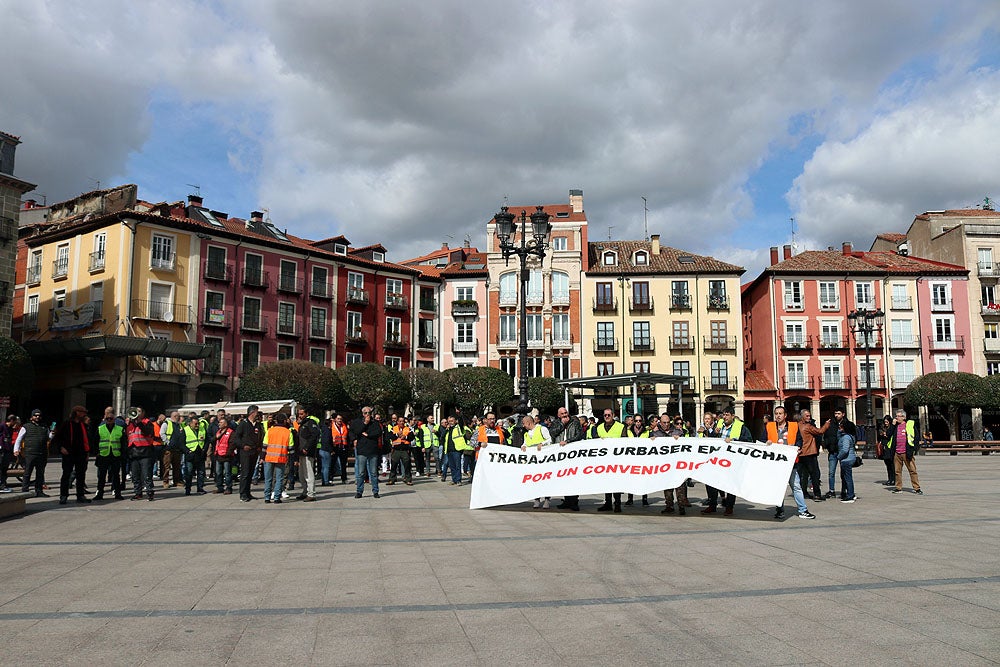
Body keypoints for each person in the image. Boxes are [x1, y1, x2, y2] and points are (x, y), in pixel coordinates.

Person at [764, 406, 814, 519]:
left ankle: (803, 510)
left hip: (791, 463)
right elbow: (762, 440)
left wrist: (799, 447)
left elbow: (799, 440)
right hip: (775, 463)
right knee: (778, 488)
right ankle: (779, 509)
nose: (778, 416)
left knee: (796, 486)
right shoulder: (769, 426)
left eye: (780, 413)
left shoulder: (794, 426)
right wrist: (766, 442)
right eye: (776, 413)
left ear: (785, 415)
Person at [650, 413, 689, 515]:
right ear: (660, 422)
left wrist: (679, 439)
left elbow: (686, 444)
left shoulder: (677, 431)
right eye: (664, 422)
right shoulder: (655, 433)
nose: (666, 424)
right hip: (664, 465)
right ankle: (669, 505)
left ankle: (681, 506)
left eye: (668, 422)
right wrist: (652, 440)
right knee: (667, 486)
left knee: (679, 486)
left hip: (677, 464)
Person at [53, 405, 91, 505]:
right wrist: (61, 448)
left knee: (81, 475)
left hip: (81, 454)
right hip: (68, 454)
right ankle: (64, 495)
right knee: (66, 474)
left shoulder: (83, 425)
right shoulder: (66, 424)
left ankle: (80, 495)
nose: (84, 414)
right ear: (77, 413)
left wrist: (87, 453)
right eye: (82, 412)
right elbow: (57, 437)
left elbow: (86, 440)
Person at [593, 409, 628, 513]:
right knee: (606, 483)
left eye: (609, 415)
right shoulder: (599, 427)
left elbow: (625, 441)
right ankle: (608, 503)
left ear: (613, 415)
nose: (607, 416)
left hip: (616, 460)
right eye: (605, 415)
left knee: (616, 483)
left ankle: (617, 504)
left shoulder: (621, 426)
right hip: (604, 460)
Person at [15, 409, 50, 497]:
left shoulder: (44, 426)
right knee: (27, 472)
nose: (37, 417)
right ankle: (25, 490)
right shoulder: (26, 426)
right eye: (35, 415)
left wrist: (52, 434)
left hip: (42, 453)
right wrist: (16, 449)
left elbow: (49, 438)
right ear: (31, 417)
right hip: (30, 453)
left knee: (40, 473)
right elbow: (19, 438)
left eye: (39, 416)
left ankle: (39, 491)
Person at [94, 406, 126, 500]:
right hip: (103, 454)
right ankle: (99, 493)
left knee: (116, 475)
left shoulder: (119, 429)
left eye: (111, 418)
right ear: (105, 419)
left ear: (114, 419)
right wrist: (97, 453)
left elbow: (123, 442)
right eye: (107, 418)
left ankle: (117, 493)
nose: (109, 420)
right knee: (102, 476)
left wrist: (122, 454)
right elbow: (95, 441)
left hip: (115, 455)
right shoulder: (100, 428)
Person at [520, 414, 552, 508]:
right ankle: (536, 499)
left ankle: (547, 499)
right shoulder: (526, 434)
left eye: (523, 423)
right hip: (533, 462)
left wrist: (542, 444)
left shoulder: (542, 429)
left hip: (543, 460)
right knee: (534, 480)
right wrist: (523, 446)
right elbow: (525, 443)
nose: (523, 425)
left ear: (529, 422)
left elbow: (550, 439)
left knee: (545, 480)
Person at [351, 406, 383, 499]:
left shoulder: (375, 423)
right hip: (362, 450)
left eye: (369, 413)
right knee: (361, 472)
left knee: (373, 472)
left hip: (372, 449)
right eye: (365, 413)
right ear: (362, 414)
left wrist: (368, 435)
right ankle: (359, 491)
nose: (367, 415)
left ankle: (375, 491)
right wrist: (365, 423)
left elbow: (378, 433)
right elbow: (355, 431)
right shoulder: (357, 422)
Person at [797, 409, 829, 501]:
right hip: (810, 453)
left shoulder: (797, 426)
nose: (809, 417)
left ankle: (803, 492)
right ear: (802, 416)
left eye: (809, 415)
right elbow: (820, 431)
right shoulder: (808, 426)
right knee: (814, 475)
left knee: (803, 475)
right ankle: (817, 494)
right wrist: (826, 425)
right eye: (807, 416)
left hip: (800, 453)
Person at [234, 405, 264, 502]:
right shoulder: (243, 424)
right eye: (256, 412)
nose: (257, 414)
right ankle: (242, 493)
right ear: (252, 413)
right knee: (245, 473)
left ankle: (248, 492)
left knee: (251, 473)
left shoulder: (258, 425)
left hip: (254, 451)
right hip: (245, 452)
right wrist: (243, 446)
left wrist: (259, 446)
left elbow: (260, 436)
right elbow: (236, 438)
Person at [890, 409, 923, 495]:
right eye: (896, 416)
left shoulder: (909, 425)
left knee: (912, 470)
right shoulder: (895, 426)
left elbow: (916, 437)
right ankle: (898, 487)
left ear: (903, 417)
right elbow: (888, 434)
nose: (896, 418)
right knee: (897, 471)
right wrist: (892, 425)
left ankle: (917, 488)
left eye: (898, 416)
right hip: (897, 452)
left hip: (907, 452)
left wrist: (914, 449)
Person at [829, 409, 859, 503]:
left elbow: (845, 449)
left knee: (847, 478)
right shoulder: (847, 436)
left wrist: (839, 456)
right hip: (844, 456)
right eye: (835, 413)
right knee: (845, 476)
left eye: (841, 427)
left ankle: (850, 495)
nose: (839, 428)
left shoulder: (845, 437)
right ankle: (848, 493)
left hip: (846, 459)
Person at [261, 412, 291, 503]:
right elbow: (291, 448)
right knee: (279, 478)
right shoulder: (288, 432)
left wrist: (262, 457)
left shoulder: (270, 431)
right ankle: (277, 497)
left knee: (268, 478)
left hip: (269, 457)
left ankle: (267, 497)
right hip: (281, 458)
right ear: (285, 421)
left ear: (276, 420)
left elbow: (264, 445)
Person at [295, 407, 320, 501]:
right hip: (301, 452)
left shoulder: (310, 423)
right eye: (299, 414)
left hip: (307, 452)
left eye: (301, 414)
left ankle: (311, 494)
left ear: (306, 413)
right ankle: (305, 491)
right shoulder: (302, 424)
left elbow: (314, 436)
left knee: (309, 474)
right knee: (301, 474)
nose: (300, 416)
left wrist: (307, 447)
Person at [440, 416, 471, 485]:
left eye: (452, 421)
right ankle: (454, 479)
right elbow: (442, 437)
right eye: (449, 421)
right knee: (452, 466)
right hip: (449, 450)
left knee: (457, 466)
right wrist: (446, 430)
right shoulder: (448, 430)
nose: (450, 422)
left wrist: (459, 414)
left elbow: (461, 421)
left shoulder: (459, 427)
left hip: (457, 449)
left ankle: (458, 480)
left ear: (455, 421)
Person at [182, 414, 208, 495]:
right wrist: (187, 451)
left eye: (198, 423)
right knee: (189, 473)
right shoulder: (185, 430)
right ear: (190, 423)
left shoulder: (202, 429)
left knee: (201, 473)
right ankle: (188, 489)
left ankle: (200, 488)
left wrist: (204, 449)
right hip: (191, 454)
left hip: (200, 454)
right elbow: (181, 443)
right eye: (195, 424)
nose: (197, 425)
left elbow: (207, 440)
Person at [387, 416, 414, 486]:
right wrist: (397, 434)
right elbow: (389, 436)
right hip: (396, 450)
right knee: (393, 465)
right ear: (397, 422)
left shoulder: (408, 429)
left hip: (405, 450)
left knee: (407, 465)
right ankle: (392, 479)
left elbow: (412, 437)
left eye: (403, 421)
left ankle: (408, 479)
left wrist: (406, 437)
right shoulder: (394, 429)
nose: (401, 422)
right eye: (400, 421)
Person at [212, 416, 235, 494]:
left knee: (227, 473)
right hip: (218, 455)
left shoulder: (231, 432)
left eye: (221, 422)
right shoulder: (218, 432)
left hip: (226, 456)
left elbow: (232, 444)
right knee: (218, 473)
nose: (219, 424)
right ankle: (220, 487)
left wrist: (228, 453)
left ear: (225, 424)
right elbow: (213, 441)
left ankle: (229, 488)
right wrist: (216, 437)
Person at [160, 411, 183, 488]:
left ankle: (176, 481)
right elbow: (162, 433)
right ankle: (165, 481)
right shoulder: (166, 423)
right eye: (178, 417)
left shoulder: (179, 425)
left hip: (177, 449)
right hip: (169, 449)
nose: (179, 418)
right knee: (167, 466)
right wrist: (167, 442)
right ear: (174, 416)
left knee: (176, 466)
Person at [877, 415, 896, 486]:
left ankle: (893, 479)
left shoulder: (892, 427)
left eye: (887, 422)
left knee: (892, 464)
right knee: (887, 464)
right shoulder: (882, 428)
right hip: (884, 447)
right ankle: (890, 479)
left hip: (890, 447)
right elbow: (880, 434)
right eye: (885, 422)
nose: (886, 423)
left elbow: (889, 435)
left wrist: (886, 434)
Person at [0, 414, 17, 492]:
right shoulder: (2, 426)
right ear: (11, 421)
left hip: (7, 450)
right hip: (2, 450)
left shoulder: (10, 428)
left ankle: (3, 484)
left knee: (4, 468)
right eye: (15, 421)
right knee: (1, 468)